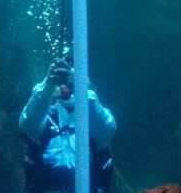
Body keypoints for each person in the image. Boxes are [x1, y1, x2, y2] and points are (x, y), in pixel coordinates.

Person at [19, 56, 117, 193]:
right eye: (62, 82)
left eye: (70, 82)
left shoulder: (94, 113)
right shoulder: (44, 115)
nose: (65, 88)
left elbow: (107, 129)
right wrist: (48, 84)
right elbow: (27, 122)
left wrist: (81, 89)